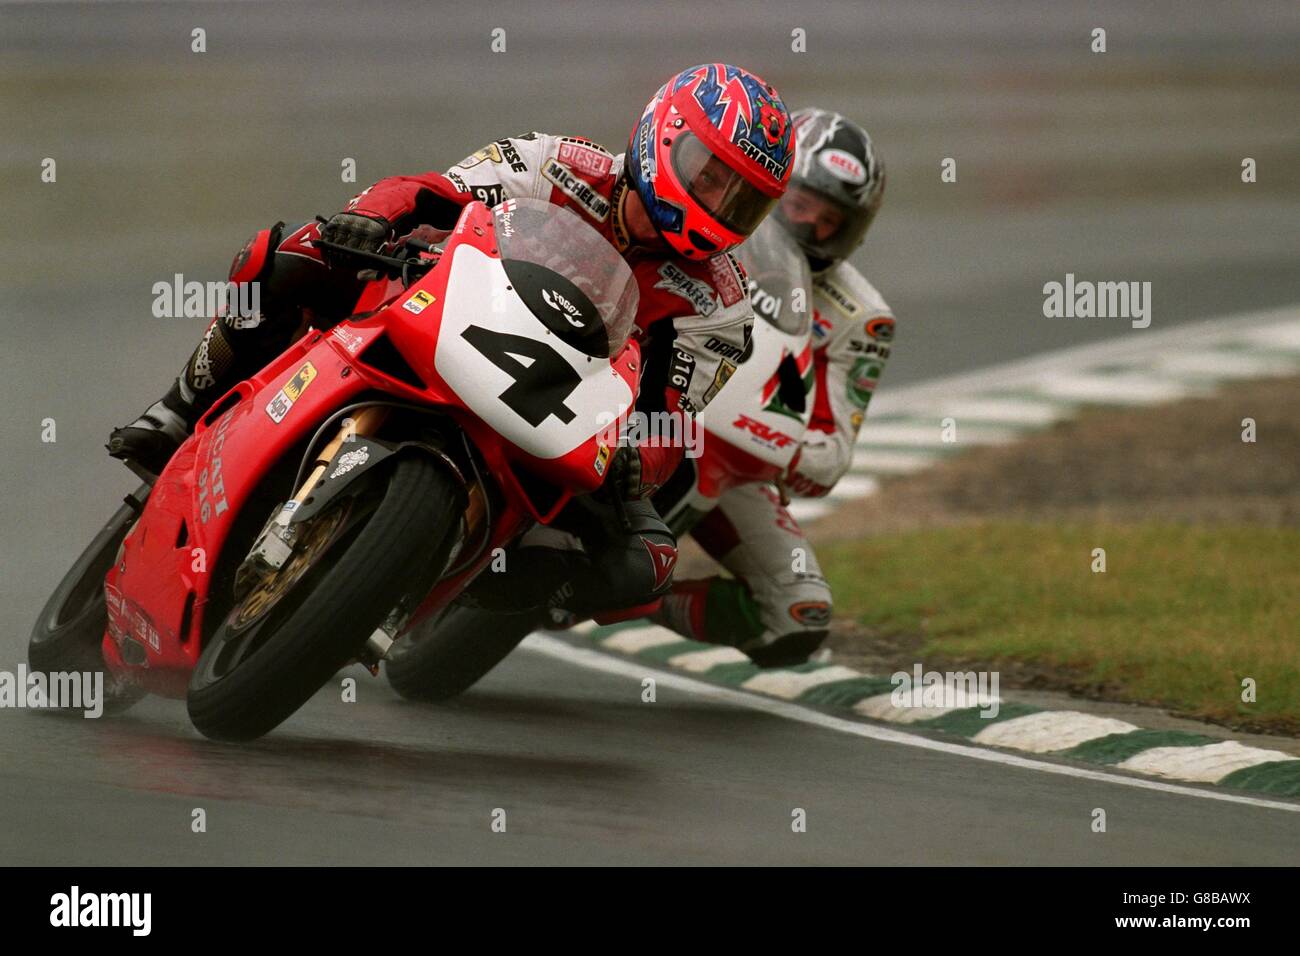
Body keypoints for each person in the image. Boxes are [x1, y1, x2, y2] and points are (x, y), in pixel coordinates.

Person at [106, 63, 795, 618]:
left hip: (564, 416)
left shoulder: (721, 304)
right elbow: (431, 191)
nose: (718, 202)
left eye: (742, 199)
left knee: (642, 564)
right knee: (289, 255)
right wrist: (367, 220)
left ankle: (490, 603)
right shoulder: (558, 161)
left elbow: (673, 419)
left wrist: (638, 460)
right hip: (453, 313)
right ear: (665, 135)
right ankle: (176, 408)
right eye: (711, 175)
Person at [651, 108, 895, 665]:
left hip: (732, 459)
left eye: (829, 219)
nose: (809, 227)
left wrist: (768, 438)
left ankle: (631, 600)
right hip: (636, 403)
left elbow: (830, 453)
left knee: (798, 613)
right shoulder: (697, 221)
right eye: (801, 204)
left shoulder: (863, 318)